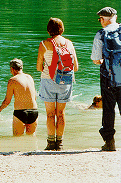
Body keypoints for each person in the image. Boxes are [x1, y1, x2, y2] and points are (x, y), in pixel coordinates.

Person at [37, 18, 78, 150]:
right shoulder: (69, 43)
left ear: (49, 29)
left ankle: (50, 143)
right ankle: (59, 143)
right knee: (61, 113)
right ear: (62, 28)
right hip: (65, 81)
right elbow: (75, 67)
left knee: (50, 113)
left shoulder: (44, 44)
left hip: (48, 80)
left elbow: (38, 67)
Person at [91, 7, 121, 151]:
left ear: (103, 19)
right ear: (115, 17)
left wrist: (104, 61)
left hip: (108, 78)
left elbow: (96, 59)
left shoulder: (101, 34)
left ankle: (109, 143)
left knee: (108, 110)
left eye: (100, 19)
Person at [0, 58, 38, 136]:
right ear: (21, 67)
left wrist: (0, 109)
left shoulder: (12, 80)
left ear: (12, 69)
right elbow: (34, 96)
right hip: (34, 111)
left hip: (20, 112)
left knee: (17, 138)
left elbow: (7, 101)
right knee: (31, 137)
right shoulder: (29, 77)